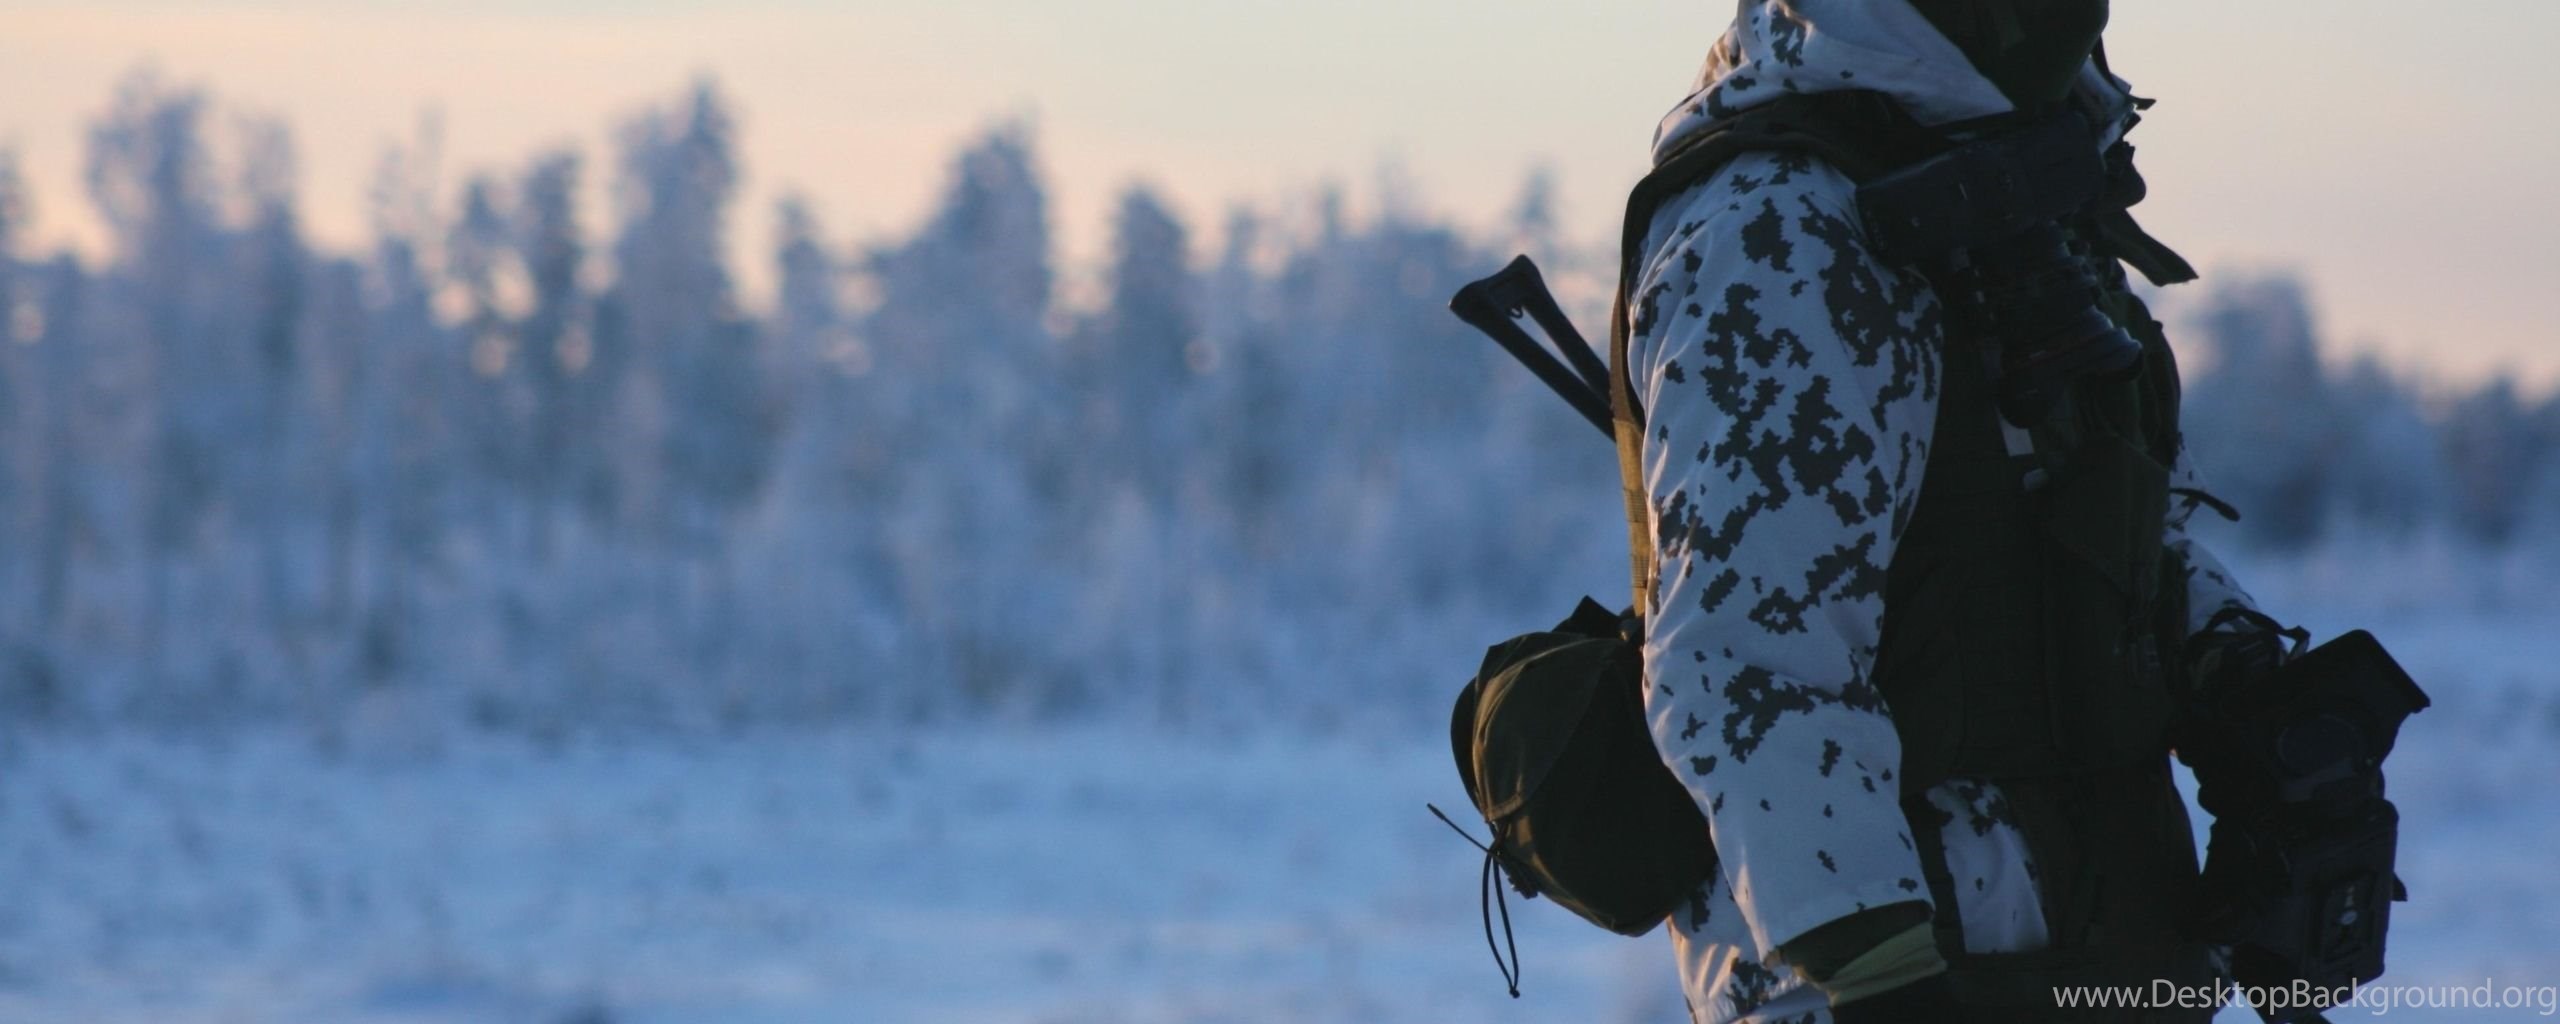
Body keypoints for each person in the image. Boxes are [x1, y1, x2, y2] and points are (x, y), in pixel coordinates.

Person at [1617, 2, 2295, 1020]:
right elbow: (1745, 662)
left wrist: (2254, 695)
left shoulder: (2017, 184)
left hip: (2106, 953)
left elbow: (2122, 524)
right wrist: (1881, 975)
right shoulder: (1783, 228)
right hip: (1902, 976)